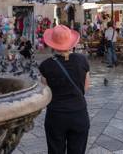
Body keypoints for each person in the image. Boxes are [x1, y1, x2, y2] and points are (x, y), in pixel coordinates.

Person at [38, 25, 90, 154]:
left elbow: (45, 93)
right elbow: (85, 87)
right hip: (79, 112)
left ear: (53, 44)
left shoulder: (46, 65)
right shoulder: (82, 61)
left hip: (56, 115)